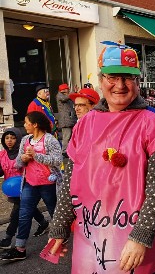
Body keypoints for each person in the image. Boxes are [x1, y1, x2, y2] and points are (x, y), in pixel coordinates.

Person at [47, 42, 155, 273]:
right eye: (112, 77)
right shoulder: (85, 123)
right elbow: (70, 179)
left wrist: (141, 237)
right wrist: (59, 227)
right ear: (101, 80)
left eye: (128, 78)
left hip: (137, 242)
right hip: (91, 237)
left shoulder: (153, 122)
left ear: (137, 82)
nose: (120, 85)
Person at [0, 112, 62, 261]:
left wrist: (36, 155)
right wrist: (23, 158)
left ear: (35, 124)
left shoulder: (49, 140)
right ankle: (20, 249)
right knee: (24, 215)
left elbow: (57, 160)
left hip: (48, 183)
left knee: (55, 213)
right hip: (30, 183)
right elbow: (18, 164)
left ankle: (60, 238)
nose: (25, 125)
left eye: (27, 122)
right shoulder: (26, 140)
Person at [0, 128, 49, 250]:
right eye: (7, 138)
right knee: (28, 209)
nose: (9, 140)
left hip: (26, 186)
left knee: (16, 213)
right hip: (11, 189)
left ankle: (7, 238)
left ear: (18, 139)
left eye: (13, 137)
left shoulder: (23, 153)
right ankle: (44, 223)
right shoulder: (2, 155)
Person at [56, 83, 77, 157]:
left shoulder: (67, 96)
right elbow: (65, 98)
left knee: (71, 136)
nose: (68, 89)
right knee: (66, 136)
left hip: (70, 119)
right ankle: (64, 151)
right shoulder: (60, 96)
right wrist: (73, 93)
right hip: (65, 120)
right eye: (67, 88)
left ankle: (70, 150)